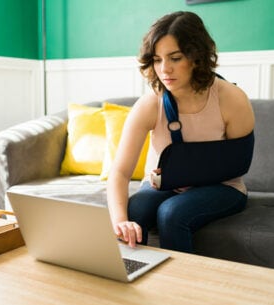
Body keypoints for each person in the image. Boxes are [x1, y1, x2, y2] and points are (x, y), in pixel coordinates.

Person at [107, 11, 255, 253]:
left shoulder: (232, 99)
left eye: (175, 58)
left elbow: (239, 163)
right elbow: (120, 172)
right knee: (136, 210)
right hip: (162, 186)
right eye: (157, 59)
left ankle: (178, 288)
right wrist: (120, 222)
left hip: (224, 188)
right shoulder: (149, 105)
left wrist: (189, 175)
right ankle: (131, 274)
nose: (164, 69)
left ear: (196, 57)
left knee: (171, 213)